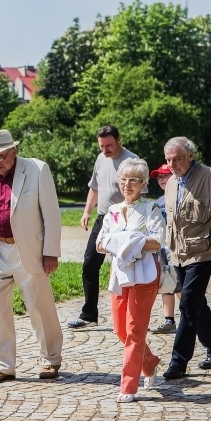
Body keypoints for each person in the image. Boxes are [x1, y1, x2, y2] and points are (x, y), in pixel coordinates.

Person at [0, 129, 63, 383]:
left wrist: (50, 252)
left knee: (39, 306)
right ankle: (3, 365)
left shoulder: (36, 170)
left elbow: (51, 214)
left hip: (29, 249)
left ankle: (51, 359)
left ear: (14, 151)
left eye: (1, 156)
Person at [161, 137, 211, 380]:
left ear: (190, 156)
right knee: (197, 304)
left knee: (188, 305)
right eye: (168, 160)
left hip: (203, 252)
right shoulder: (170, 183)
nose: (172, 164)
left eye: (177, 159)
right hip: (178, 253)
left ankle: (178, 363)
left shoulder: (210, 177)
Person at [96, 158, 164, 402]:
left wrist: (128, 240)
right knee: (120, 329)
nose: (127, 185)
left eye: (133, 180)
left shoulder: (151, 208)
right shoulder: (112, 211)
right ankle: (150, 362)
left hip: (145, 275)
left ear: (144, 183)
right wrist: (127, 241)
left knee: (135, 330)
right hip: (120, 275)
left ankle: (128, 386)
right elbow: (100, 243)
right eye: (123, 180)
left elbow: (158, 241)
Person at [69, 125, 144, 329]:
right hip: (103, 218)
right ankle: (89, 314)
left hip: (125, 219)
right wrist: (86, 212)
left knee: (125, 268)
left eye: (109, 145)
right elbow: (95, 187)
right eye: (101, 146)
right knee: (90, 264)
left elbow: (141, 193)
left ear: (119, 140)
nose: (105, 150)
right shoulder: (100, 158)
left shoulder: (132, 160)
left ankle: (131, 316)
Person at [149, 163, 180, 334]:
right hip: (163, 248)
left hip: (178, 249)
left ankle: (190, 318)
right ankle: (169, 320)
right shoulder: (158, 202)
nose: (161, 179)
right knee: (166, 284)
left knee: (180, 285)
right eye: (159, 177)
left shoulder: (180, 197)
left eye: (164, 175)